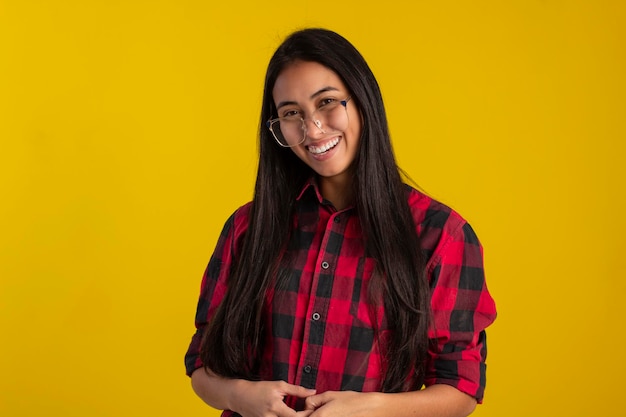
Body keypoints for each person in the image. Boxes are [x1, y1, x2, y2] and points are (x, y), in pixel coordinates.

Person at [185, 28, 497, 417]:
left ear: (363, 100)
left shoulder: (441, 236)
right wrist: (237, 397)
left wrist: (372, 409)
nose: (312, 129)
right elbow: (202, 362)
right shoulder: (247, 228)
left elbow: (460, 388)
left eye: (328, 102)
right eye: (291, 113)